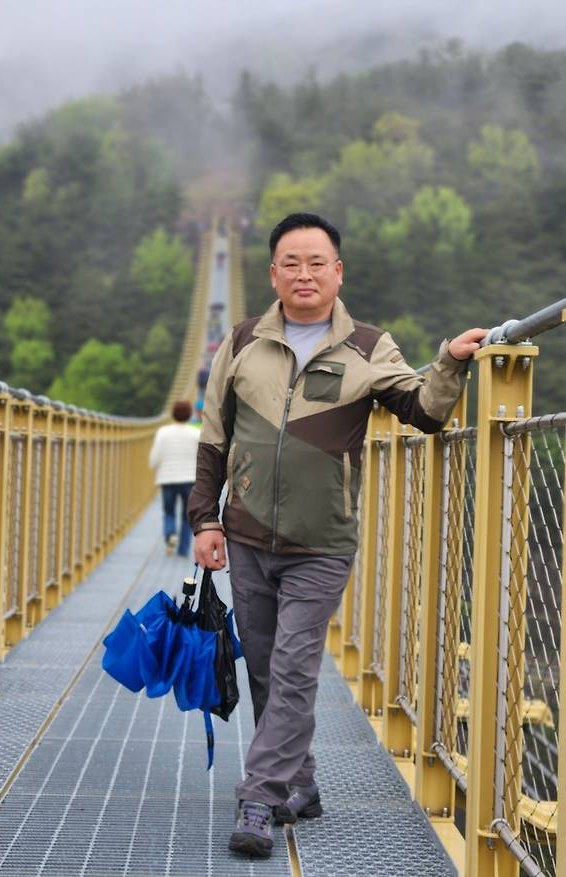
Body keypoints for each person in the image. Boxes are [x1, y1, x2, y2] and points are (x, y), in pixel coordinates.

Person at [187, 212, 487, 858]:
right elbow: (213, 438)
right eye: (290, 262)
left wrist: (450, 363)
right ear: (272, 273)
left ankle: (259, 797)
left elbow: (424, 413)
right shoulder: (239, 341)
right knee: (267, 667)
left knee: (294, 666)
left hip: (321, 543)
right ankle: (303, 782)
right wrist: (204, 520)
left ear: (338, 272)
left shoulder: (371, 347)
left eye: (316, 262)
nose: (303, 273)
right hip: (244, 535)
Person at [149, 400, 199, 557]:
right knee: (186, 516)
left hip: (168, 478)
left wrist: (156, 466)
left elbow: (154, 459)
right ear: (190, 414)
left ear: (173, 414)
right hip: (190, 479)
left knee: (169, 511)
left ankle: (171, 534)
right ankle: (183, 549)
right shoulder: (196, 434)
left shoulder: (163, 432)